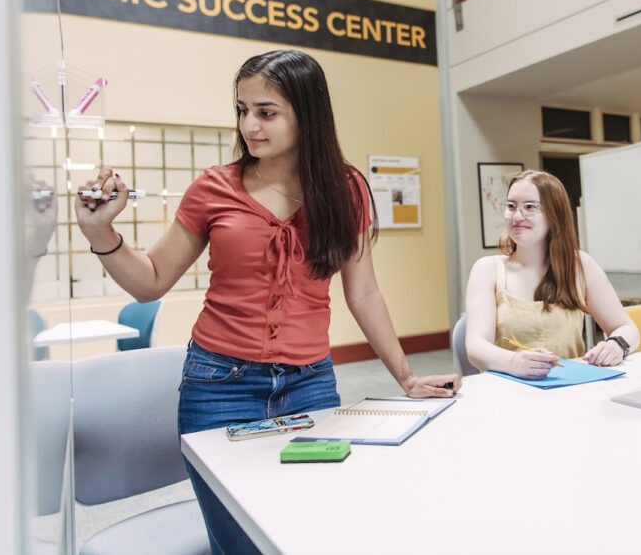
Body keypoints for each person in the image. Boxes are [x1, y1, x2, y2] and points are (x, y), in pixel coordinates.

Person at [74, 49, 460, 554]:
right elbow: (150, 281)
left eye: (266, 112)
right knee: (239, 542)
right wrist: (101, 232)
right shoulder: (214, 187)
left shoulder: (346, 190)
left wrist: (406, 377)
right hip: (218, 387)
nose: (249, 125)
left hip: (311, 387)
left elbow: (362, 291)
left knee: (310, 530)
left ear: (308, 114)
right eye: (242, 109)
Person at [464, 170, 640, 378]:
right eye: (511, 206)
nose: (517, 216)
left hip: (571, 389)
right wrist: (513, 362)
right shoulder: (487, 269)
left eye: (530, 207)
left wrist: (616, 345)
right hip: (509, 390)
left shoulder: (579, 265)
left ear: (554, 215)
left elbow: (627, 328)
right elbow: (475, 346)